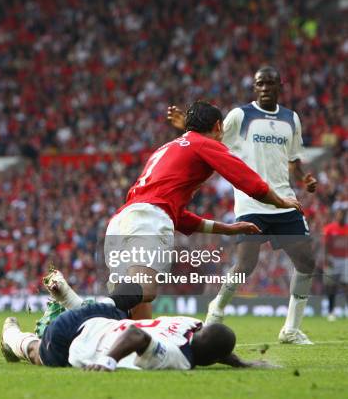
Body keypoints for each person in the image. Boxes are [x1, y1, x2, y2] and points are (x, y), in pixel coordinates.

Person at [103, 100, 302, 320]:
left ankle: (142, 351)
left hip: (123, 220)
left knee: (135, 306)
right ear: (218, 126)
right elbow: (250, 182)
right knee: (145, 291)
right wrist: (281, 202)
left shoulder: (168, 147)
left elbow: (179, 217)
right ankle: (79, 306)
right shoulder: (204, 144)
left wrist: (228, 229)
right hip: (148, 219)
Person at [168, 66, 318, 344]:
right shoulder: (240, 115)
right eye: (259, 83)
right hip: (251, 201)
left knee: (306, 262)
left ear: (279, 86)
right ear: (254, 87)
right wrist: (186, 127)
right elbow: (211, 138)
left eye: (269, 83)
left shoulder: (290, 119)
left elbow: (293, 159)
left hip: (284, 202)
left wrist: (303, 178)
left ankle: (291, 329)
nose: (264, 88)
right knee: (246, 264)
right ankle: (217, 308)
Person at [0, 303, 270, 370]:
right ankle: (11, 334)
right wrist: (109, 361)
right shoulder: (177, 356)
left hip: (105, 314)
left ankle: (65, 299)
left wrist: (240, 363)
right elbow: (136, 334)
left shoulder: (191, 324)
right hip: (74, 336)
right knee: (40, 355)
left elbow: (213, 342)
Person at [322, 209, 347, 321]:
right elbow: (326, 245)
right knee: (332, 286)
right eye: (339, 214)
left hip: (345, 259)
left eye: (342, 215)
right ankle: (331, 312)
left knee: (346, 285)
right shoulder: (330, 228)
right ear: (336, 216)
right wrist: (327, 259)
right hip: (333, 259)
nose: (341, 217)